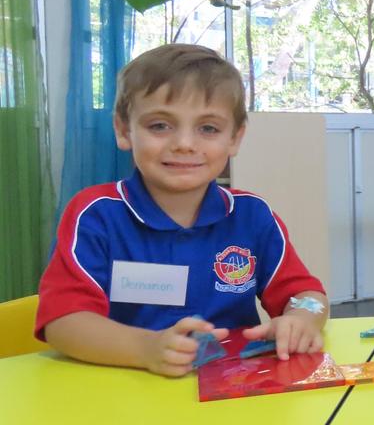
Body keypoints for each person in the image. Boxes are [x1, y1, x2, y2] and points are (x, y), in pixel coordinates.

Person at [36, 44, 327, 375]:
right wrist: (146, 350)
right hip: (124, 391)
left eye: (208, 128)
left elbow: (307, 294)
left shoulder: (253, 215)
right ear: (123, 130)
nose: (185, 143)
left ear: (235, 138)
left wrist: (303, 318)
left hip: (233, 391)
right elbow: (63, 322)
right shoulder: (96, 214)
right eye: (160, 125)